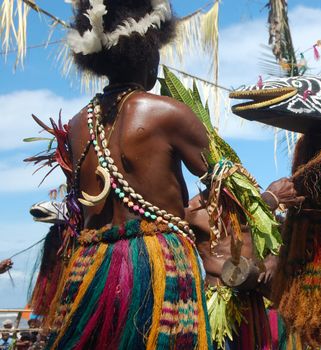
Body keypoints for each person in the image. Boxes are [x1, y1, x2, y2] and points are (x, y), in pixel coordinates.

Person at [33, 0, 213, 348]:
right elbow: (223, 182)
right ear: (148, 53)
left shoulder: (76, 125)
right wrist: (266, 198)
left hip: (92, 265)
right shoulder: (166, 112)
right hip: (158, 265)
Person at [186, 177, 303, 349]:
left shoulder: (253, 206)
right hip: (218, 302)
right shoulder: (193, 209)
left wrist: (273, 259)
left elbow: (280, 240)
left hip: (253, 302)